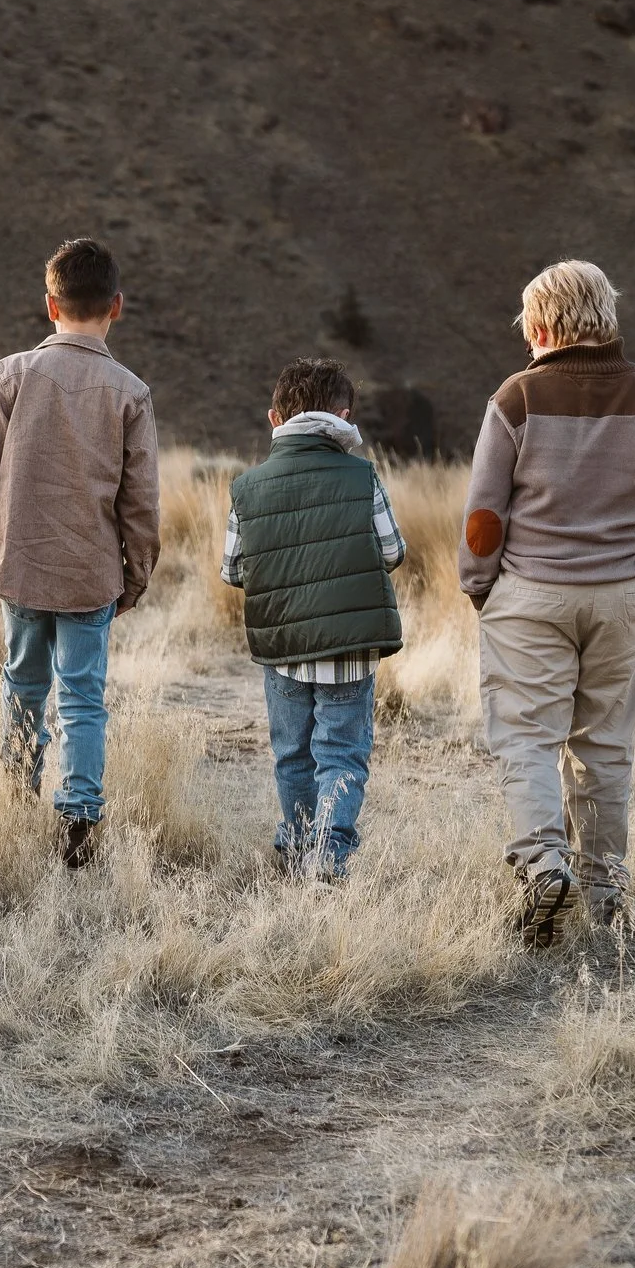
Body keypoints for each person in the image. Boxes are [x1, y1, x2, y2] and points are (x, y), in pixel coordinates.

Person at [460, 259, 635, 946]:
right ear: (606, 315)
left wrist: (481, 584)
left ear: (541, 325)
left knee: (527, 736)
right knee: (605, 742)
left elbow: (484, 513)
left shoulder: (517, 398)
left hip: (531, 593)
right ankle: (604, 885)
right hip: (625, 594)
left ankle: (544, 867)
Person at [0, 237, 160, 869]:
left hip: (20, 567)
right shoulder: (131, 391)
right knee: (83, 698)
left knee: (22, 687)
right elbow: (140, 501)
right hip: (91, 573)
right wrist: (136, 575)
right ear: (116, 306)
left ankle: (16, 803)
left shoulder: (11, 374)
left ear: (50, 305)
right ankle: (79, 821)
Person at [221, 358, 405, 882]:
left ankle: (297, 844)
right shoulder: (362, 475)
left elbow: (232, 570)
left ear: (274, 417)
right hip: (351, 649)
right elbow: (392, 551)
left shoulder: (247, 487)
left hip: (283, 646)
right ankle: (329, 857)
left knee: (292, 755)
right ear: (343, 416)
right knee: (342, 756)